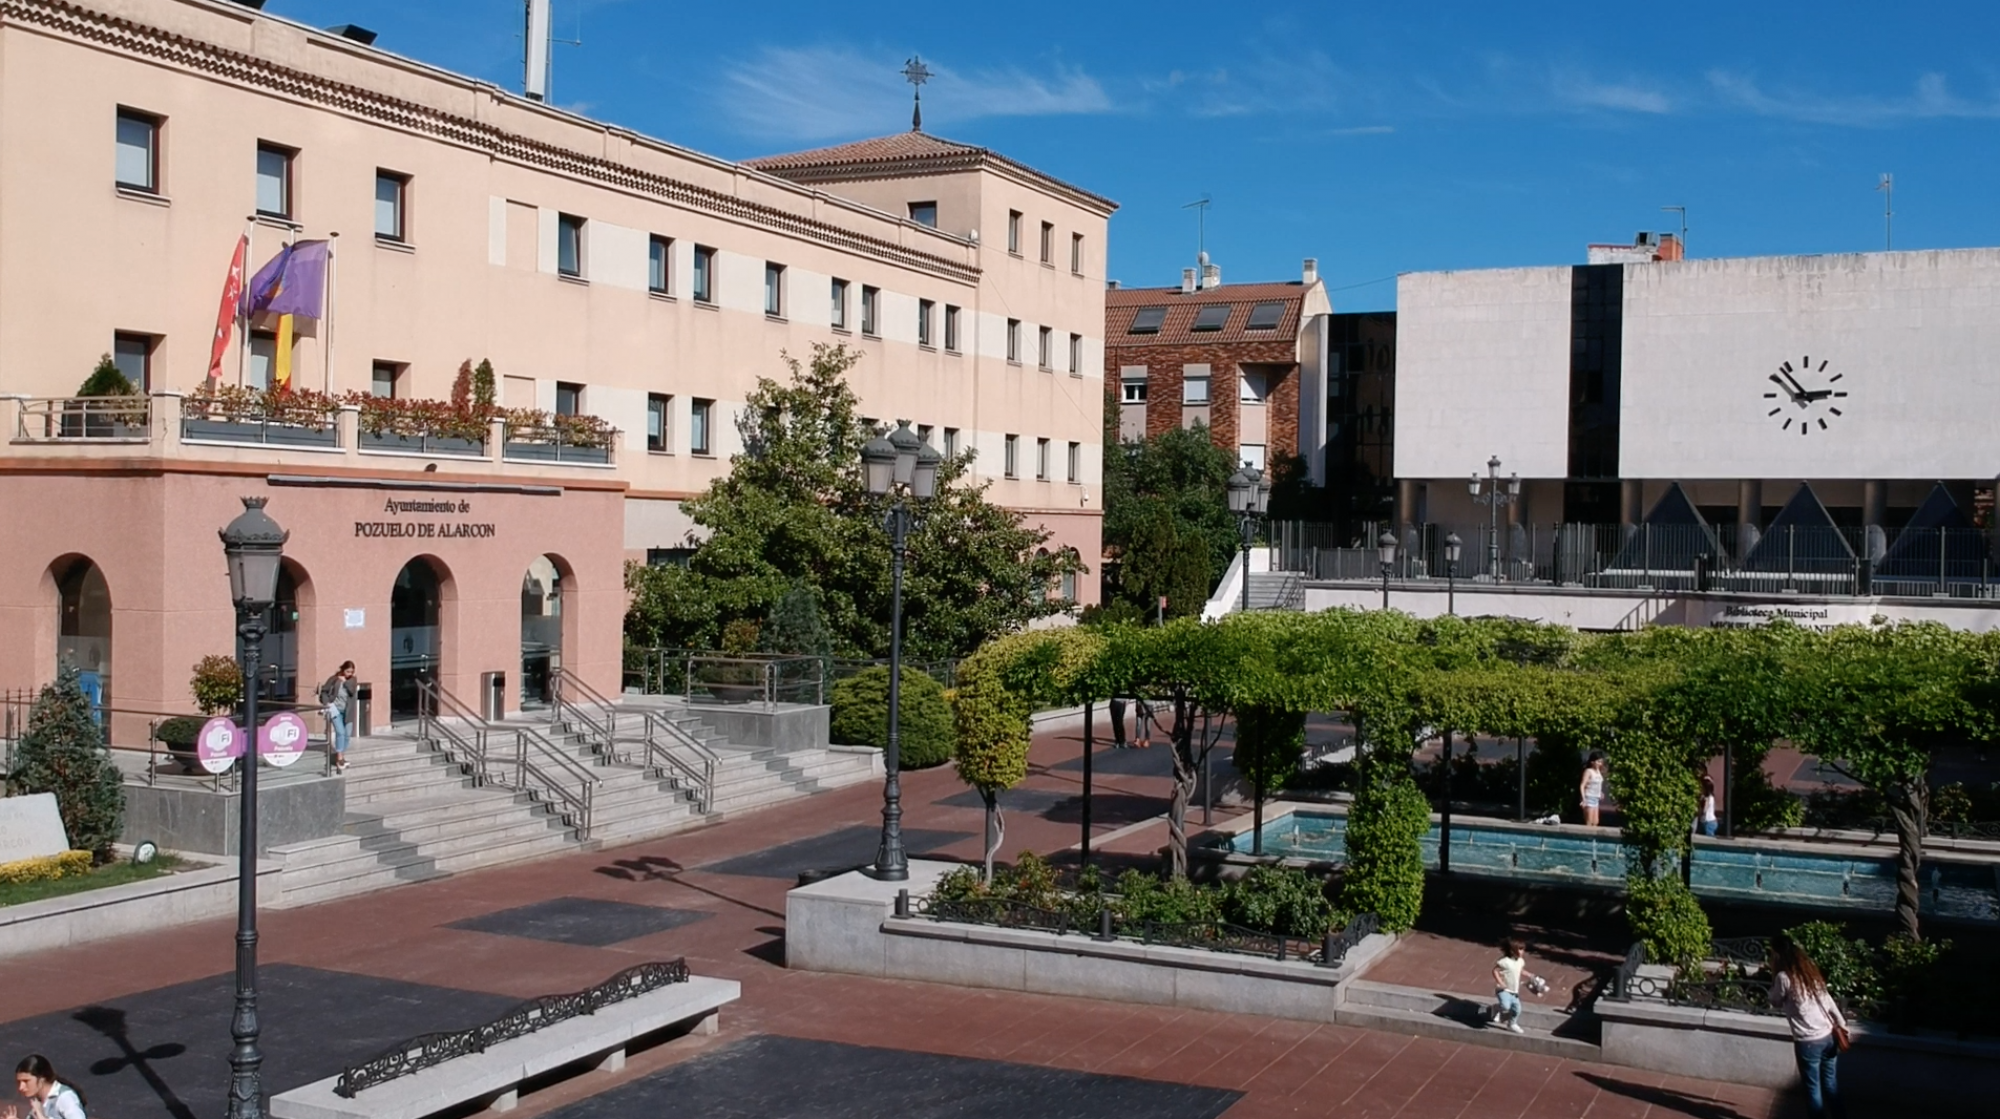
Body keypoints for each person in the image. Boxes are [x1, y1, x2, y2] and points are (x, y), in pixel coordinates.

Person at [1769, 932, 1848, 1119]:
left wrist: (1772, 986)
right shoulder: (1809, 972)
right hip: (1829, 1037)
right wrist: (1841, 1023)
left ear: (1777, 955)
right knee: (1830, 1084)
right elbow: (1827, 999)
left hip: (1808, 1042)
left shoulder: (1783, 977)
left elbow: (1775, 1000)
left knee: (1813, 1090)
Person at [1489, 938, 1544, 1034]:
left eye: (1523, 949)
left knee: (1517, 1010)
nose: (1523, 952)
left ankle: (1512, 1024)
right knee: (1506, 1006)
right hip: (1504, 989)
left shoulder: (1520, 961)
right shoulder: (1504, 961)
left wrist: (1530, 975)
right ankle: (1497, 1008)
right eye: (1520, 949)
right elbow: (1495, 971)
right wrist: (1500, 982)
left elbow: (1520, 970)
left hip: (1514, 991)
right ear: (1513, 950)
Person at [9, 1055, 86, 1119]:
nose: (21, 1087)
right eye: (19, 1082)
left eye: (26, 1081)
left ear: (42, 1078)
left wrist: (41, 1117)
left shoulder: (65, 1098)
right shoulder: (36, 1101)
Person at [318, 660, 357, 772]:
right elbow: (324, 691)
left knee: (347, 735)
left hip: (348, 711)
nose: (349, 674)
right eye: (347, 671)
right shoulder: (334, 679)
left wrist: (345, 682)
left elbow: (351, 691)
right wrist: (327, 703)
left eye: (351, 672)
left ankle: (342, 755)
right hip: (335, 709)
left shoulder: (352, 680)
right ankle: (339, 758)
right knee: (340, 732)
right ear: (343, 670)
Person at [1579, 752, 1607, 827]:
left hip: (1596, 798)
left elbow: (1597, 784)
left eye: (1601, 762)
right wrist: (1583, 799)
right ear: (1592, 762)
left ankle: (1593, 839)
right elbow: (1582, 785)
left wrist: (1600, 792)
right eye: (1598, 761)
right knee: (1589, 821)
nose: (1600, 764)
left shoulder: (1599, 772)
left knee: (1596, 822)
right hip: (1589, 797)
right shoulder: (1588, 771)